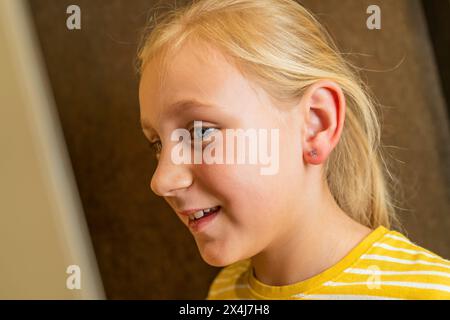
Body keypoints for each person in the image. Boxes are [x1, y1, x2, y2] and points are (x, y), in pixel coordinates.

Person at [137, 0, 450, 299]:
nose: (161, 180)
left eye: (201, 131)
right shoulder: (224, 293)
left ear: (316, 124)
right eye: (157, 144)